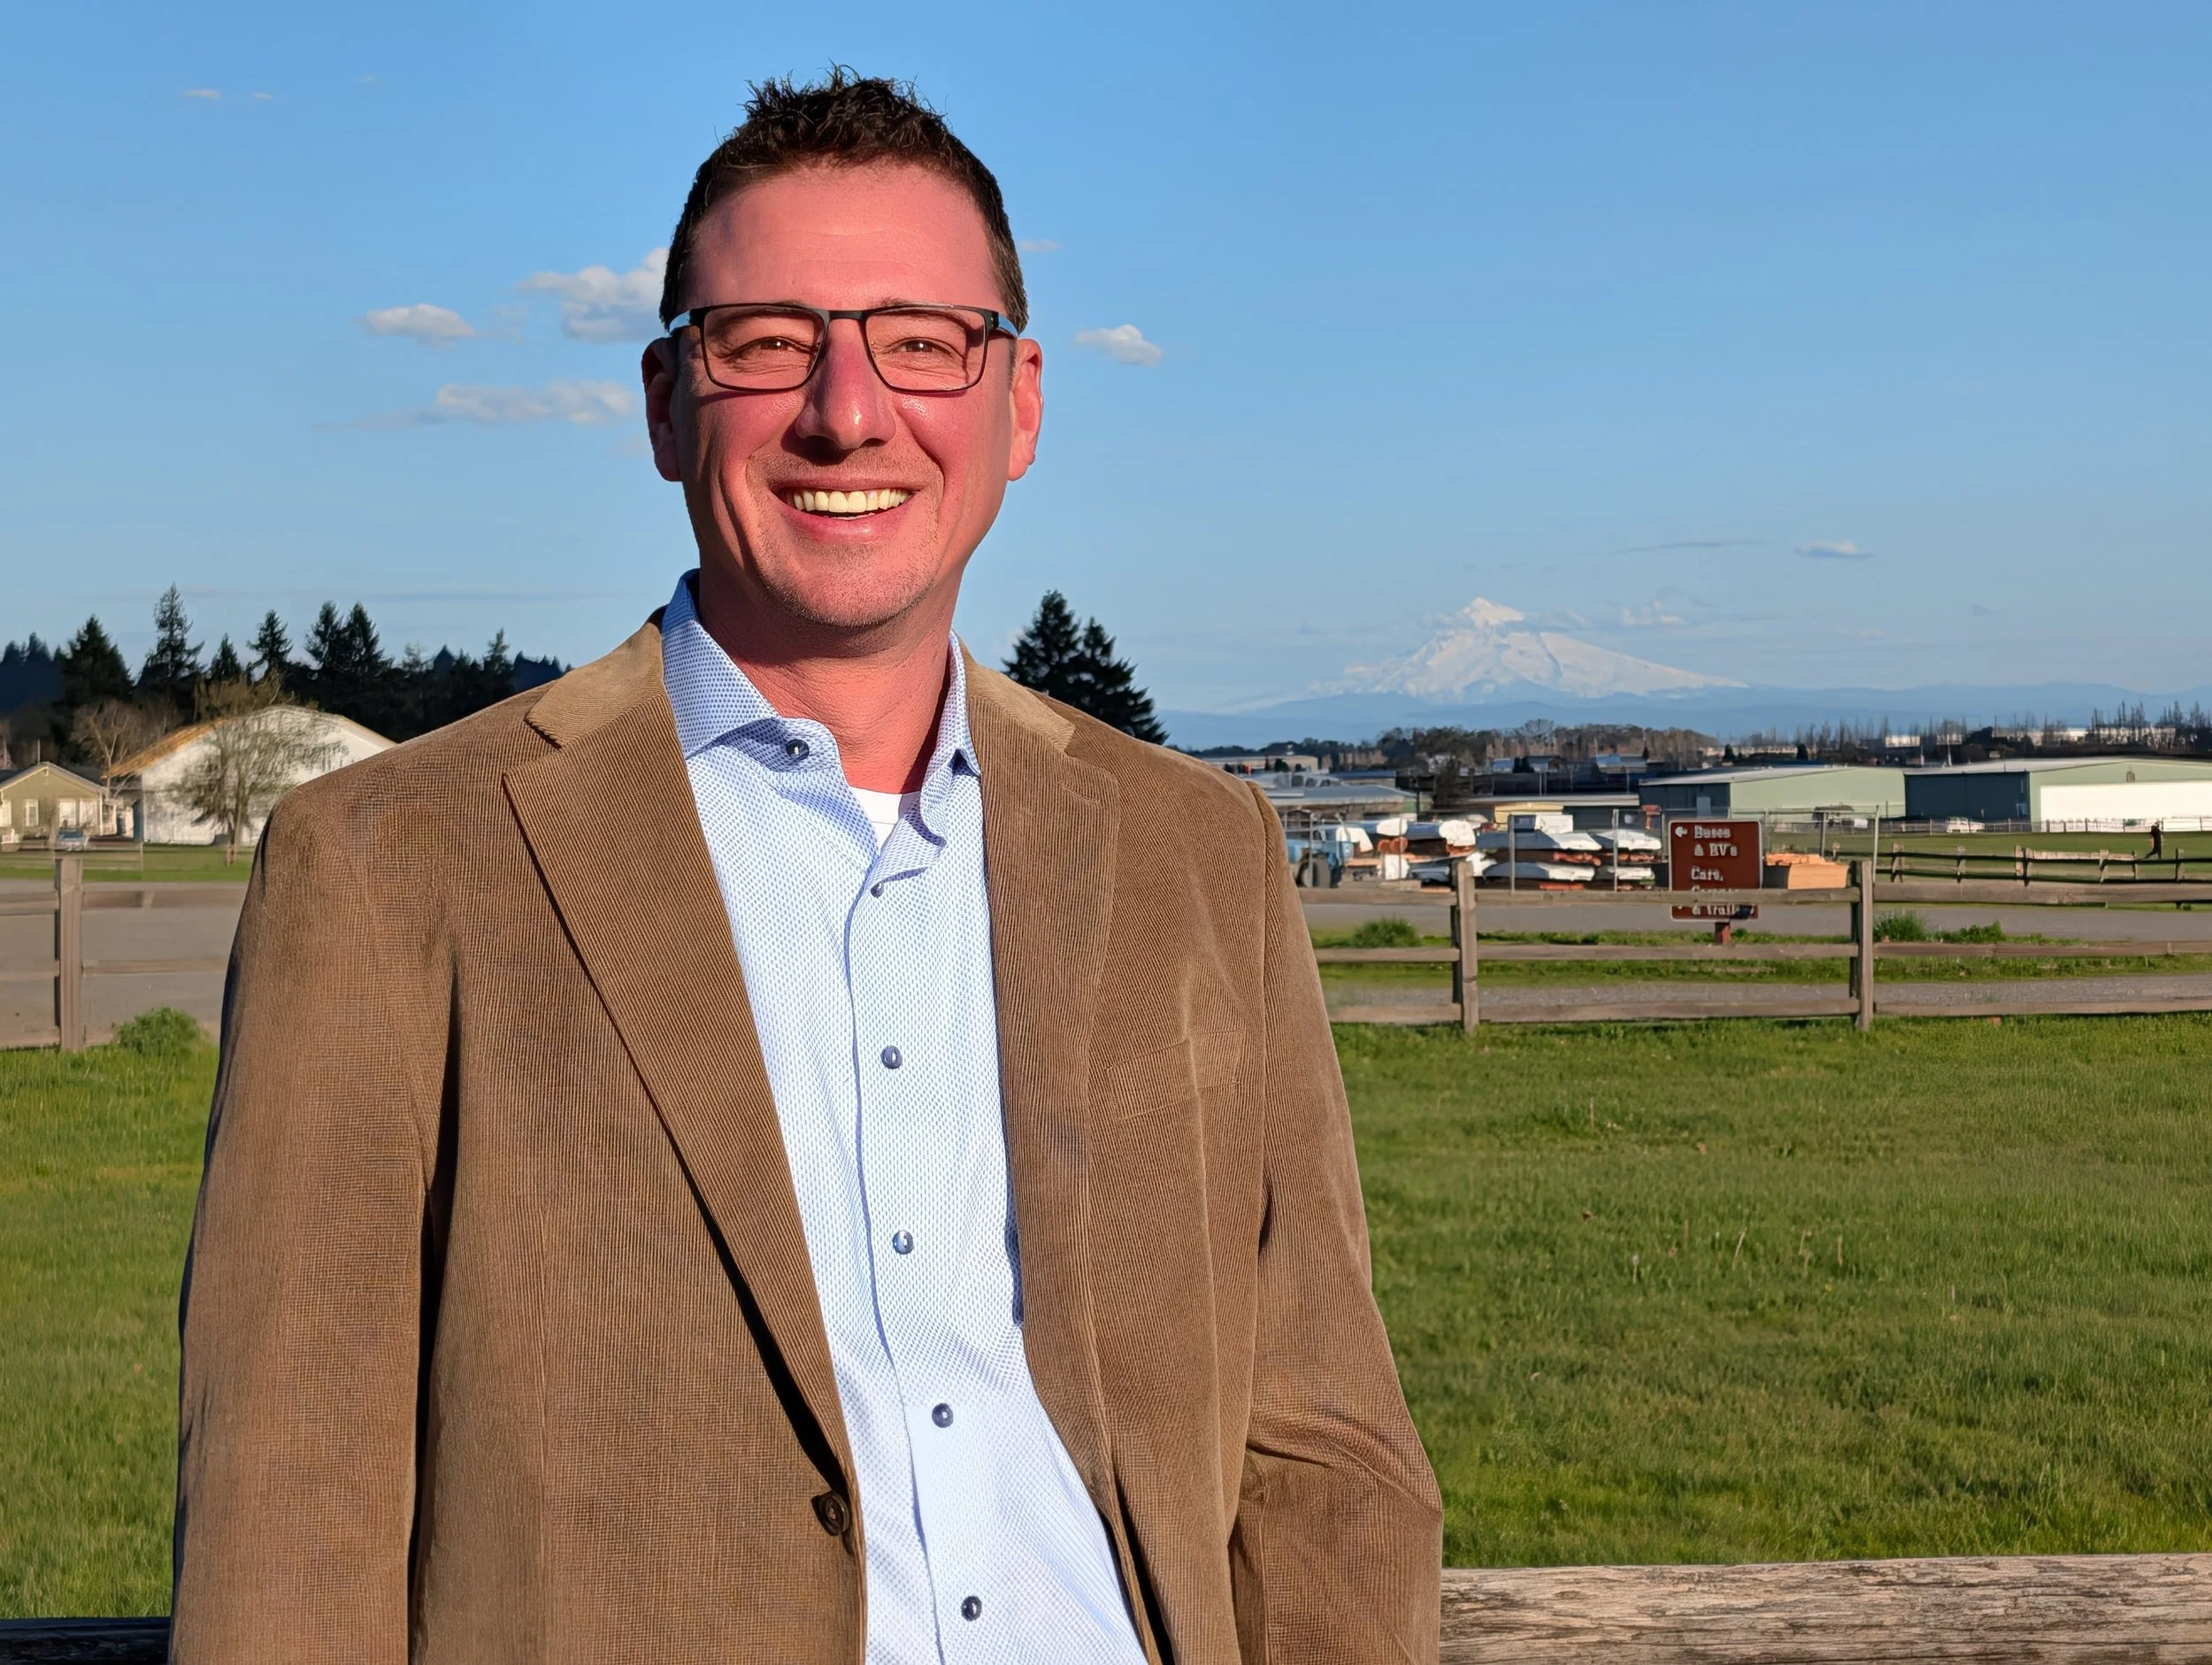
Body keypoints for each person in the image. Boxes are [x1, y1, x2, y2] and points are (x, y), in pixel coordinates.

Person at [172, 71, 1440, 1665]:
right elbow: (291, 1508)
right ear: (661, 404)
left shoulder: (1203, 851)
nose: (849, 410)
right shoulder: (387, 866)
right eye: (766, 342)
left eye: (925, 341)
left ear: (1021, 403)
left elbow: (1325, 1453)